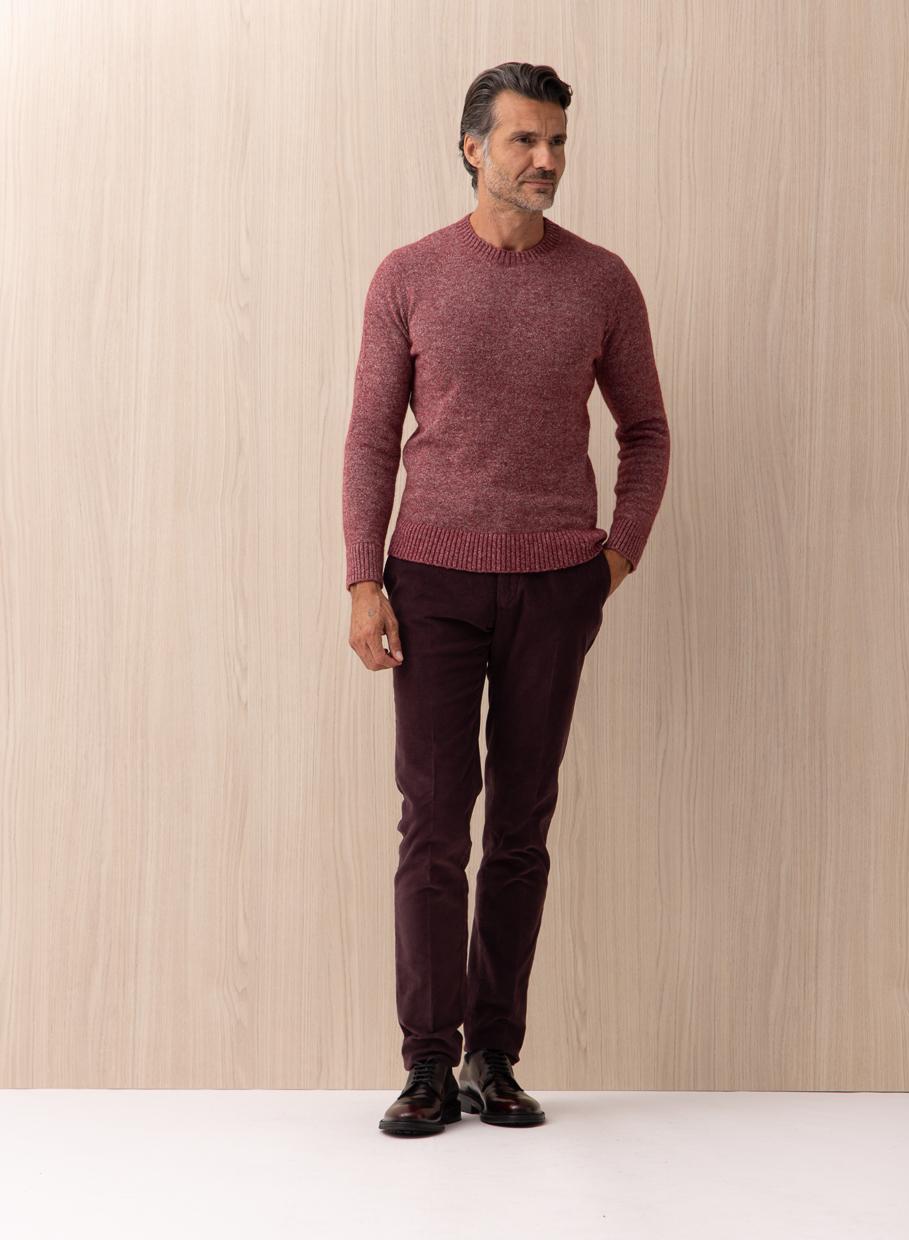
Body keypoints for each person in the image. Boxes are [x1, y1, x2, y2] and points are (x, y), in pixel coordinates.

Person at [342, 61, 671, 1137]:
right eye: (525, 139)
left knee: (521, 827)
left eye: (557, 141)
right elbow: (369, 438)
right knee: (435, 825)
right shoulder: (408, 275)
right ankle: (426, 1064)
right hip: (430, 582)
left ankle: (494, 1055)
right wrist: (362, 579)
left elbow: (645, 433)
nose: (546, 160)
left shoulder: (602, 282)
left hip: (554, 585)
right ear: (472, 147)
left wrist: (612, 561)